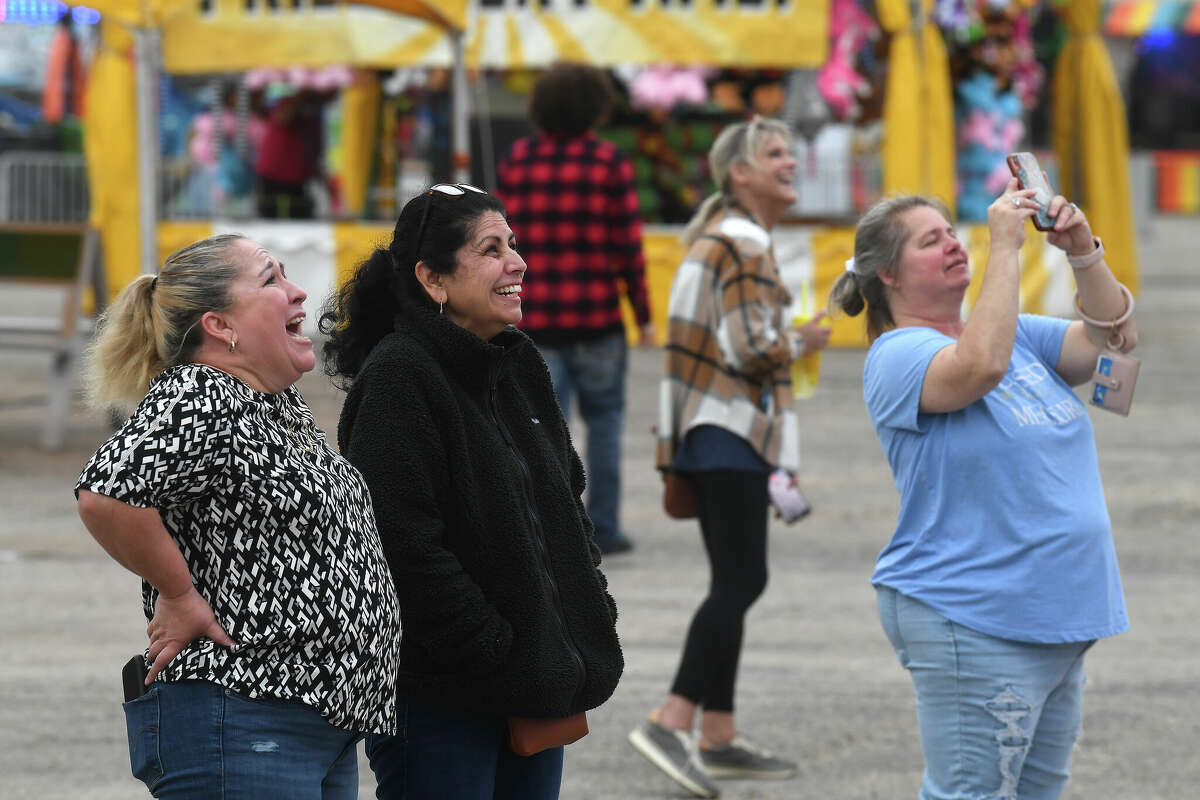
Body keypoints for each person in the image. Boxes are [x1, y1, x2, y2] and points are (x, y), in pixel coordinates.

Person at [827, 182, 1137, 799]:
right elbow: (979, 367)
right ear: (887, 273)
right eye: (929, 240)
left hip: (1055, 614)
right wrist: (1005, 245)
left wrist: (1082, 251)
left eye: (951, 233)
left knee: (1036, 794)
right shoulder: (898, 355)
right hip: (974, 615)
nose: (950, 245)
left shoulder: (1016, 334)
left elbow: (1113, 340)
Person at [319, 183, 624, 800]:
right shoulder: (400, 377)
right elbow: (399, 543)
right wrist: (493, 646)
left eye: (512, 243)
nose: (518, 261)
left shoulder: (517, 363)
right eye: (492, 249)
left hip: (531, 685)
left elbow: (567, 501)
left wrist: (580, 611)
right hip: (444, 699)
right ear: (434, 279)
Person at [74, 235, 401, 798]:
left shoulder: (273, 403)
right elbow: (108, 493)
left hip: (309, 720)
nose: (298, 291)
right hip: (244, 715)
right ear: (220, 326)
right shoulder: (203, 394)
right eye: (271, 280)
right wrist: (178, 594)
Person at [628, 116, 832, 799]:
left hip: (705, 429)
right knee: (742, 582)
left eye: (789, 150)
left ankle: (717, 734)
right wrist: (802, 339)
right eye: (774, 154)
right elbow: (752, 348)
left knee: (732, 581)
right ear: (737, 174)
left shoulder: (719, 239)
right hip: (731, 428)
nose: (790, 162)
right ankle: (672, 716)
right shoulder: (744, 242)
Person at [496, 61, 654, 555]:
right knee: (605, 424)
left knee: (543, 431)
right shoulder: (609, 163)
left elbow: (497, 244)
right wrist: (644, 315)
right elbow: (627, 246)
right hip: (598, 318)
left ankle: (552, 525)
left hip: (535, 321)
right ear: (596, 108)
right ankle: (604, 527)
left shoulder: (517, 161)